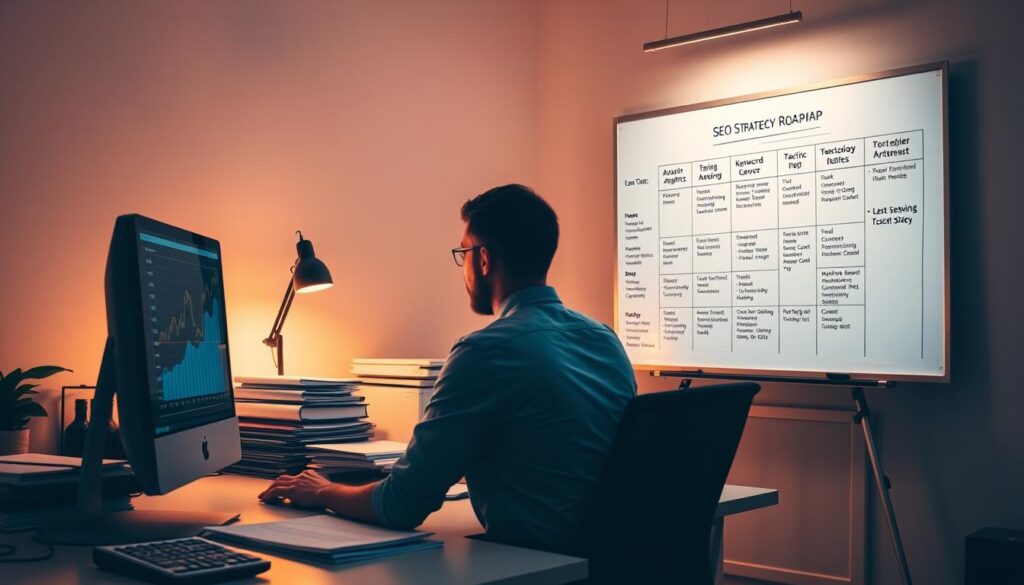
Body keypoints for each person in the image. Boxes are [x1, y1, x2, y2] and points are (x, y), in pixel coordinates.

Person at [259, 184, 636, 553]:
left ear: (484, 259)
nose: (464, 266)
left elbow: (401, 505)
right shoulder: (605, 340)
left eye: (464, 252)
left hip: (536, 562)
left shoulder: (486, 350)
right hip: (610, 559)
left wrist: (320, 490)